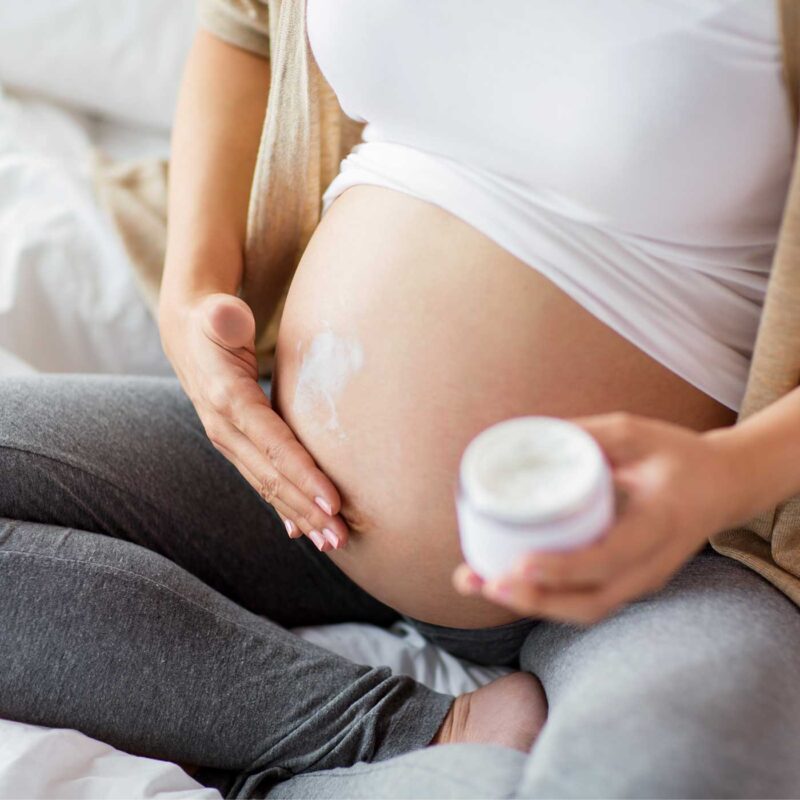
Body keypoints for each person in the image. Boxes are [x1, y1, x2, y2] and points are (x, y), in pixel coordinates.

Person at [2, 1, 800, 797]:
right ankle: (396, 732)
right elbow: (242, 29)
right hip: (291, 486)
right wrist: (191, 298)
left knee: (670, 775)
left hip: (657, 552)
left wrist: (724, 477)